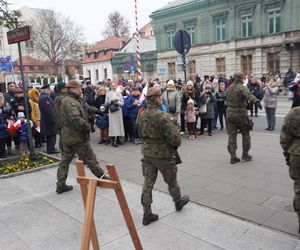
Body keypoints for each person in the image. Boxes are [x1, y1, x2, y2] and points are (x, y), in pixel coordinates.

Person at [137, 86, 189, 226]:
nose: (161, 99)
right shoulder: (163, 116)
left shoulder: (142, 115)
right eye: (160, 97)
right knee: (171, 181)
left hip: (147, 154)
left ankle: (147, 213)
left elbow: (140, 134)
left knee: (148, 184)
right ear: (157, 98)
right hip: (163, 155)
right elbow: (175, 139)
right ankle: (178, 202)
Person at [56, 80, 108, 194]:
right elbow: (75, 118)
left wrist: (97, 111)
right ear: (72, 89)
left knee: (65, 160)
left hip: (68, 136)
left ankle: (60, 184)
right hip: (76, 136)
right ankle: (104, 179)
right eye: (79, 88)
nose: (81, 89)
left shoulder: (74, 99)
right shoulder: (69, 101)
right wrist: (87, 127)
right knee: (90, 158)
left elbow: (86, 107)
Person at [226, 72, 262, 164]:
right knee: (245, 134)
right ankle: (245, 154)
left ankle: (233, 157)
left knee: (232, 136)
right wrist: (256, 101)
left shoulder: (229, 88)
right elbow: (249, 95)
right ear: (240, 78)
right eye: (244, 77)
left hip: (230, 114)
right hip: (240, 114)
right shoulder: (241, 87)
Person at [280, 106, 300, 234]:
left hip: (297, 155)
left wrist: (288, 157)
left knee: (299, 190)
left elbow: (285, 138)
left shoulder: (295, 112)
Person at [39, 84, 59, 154]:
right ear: (46, 90)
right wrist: (53, 119)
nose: (50, 91)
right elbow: (49, 110)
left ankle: (49, 148)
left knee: (49, 135)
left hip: (46, 120)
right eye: (49, 89)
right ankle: (51, 149)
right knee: (52, 135)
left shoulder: (43, 97)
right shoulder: (46, 98)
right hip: (49, 120)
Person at [105, 81, 124, 147]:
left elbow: (122, 102)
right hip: (112, 111)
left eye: (114, 86)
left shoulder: (119, 93)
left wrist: (118, 103)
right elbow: (106, 103)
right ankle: (113, 141)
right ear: (110, 86)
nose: (113, 87)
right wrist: (111, 101)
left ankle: (118, 139)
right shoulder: (108, 94)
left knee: (119, 125)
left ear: (116, 86)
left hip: (118, 110)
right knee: (113, 126)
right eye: (112, 86)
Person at [54, 82, 67, 152]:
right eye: (64, 88)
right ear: (61, 89)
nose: (66, 89)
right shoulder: (59, 98)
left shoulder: (64, 96)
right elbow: (57, 111)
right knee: (63, 136)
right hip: (62, 120)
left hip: (64, 119)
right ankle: (64, 150)